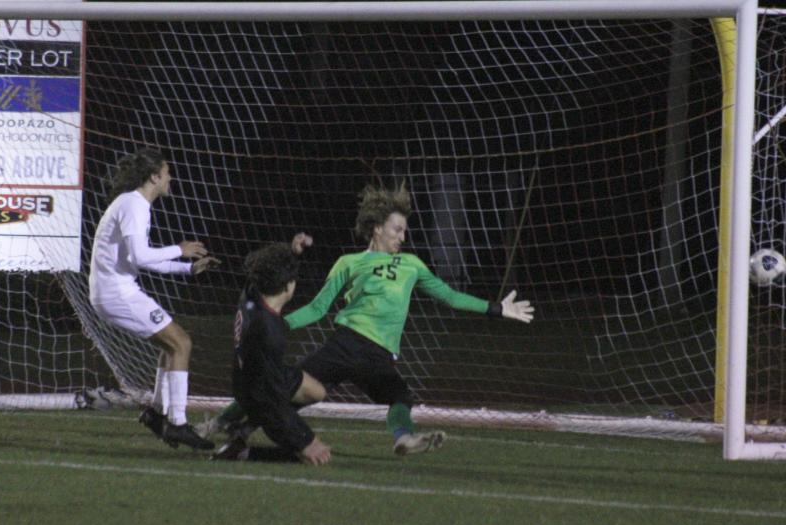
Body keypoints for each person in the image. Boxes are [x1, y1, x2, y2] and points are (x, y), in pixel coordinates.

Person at [202, 182, 534, 456]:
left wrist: (497, 308)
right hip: (347, 344)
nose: (402, 237)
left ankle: (402, 440)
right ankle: (223, 425)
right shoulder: (348, 262)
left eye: (404, 231)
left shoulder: (413, 265)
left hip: (371, 353)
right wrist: (277, 325)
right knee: (286, 387)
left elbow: (449, 296)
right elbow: (319, 308)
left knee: (393, 395)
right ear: (377, 229)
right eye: (397, 229)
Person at [89, 147, 219, 450]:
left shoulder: (132, 204)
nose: (170, 177)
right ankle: (178, 423)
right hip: (116, 291)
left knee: (169, 346)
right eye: (167, 172)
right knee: (182, 343)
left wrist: (188, 268)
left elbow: (141, 258)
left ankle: (159, 416)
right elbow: (141, 256)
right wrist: (180, 249)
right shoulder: (134, 205)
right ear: (154, 176)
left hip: (115, 289)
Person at [213, 236, 332, 465]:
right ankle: (242, 452)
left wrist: (292, 252)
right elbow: (273, 402)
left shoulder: (252, 294)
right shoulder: (269, 332)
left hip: (249, 375)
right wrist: (306, 439)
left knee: (316, 391)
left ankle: (238, 425)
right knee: (313, 457)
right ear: (288, 286)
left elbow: (267, 267)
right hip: (258, 392)